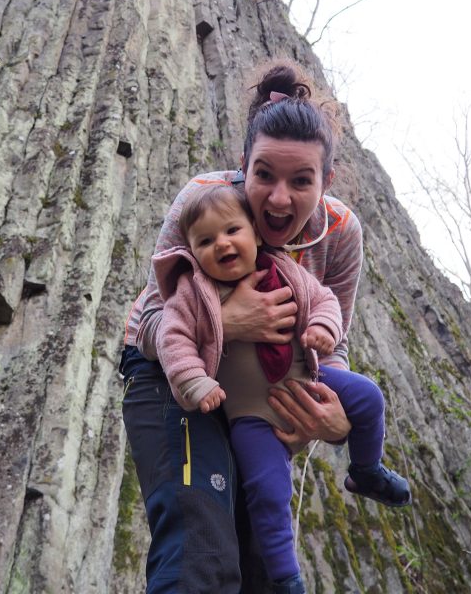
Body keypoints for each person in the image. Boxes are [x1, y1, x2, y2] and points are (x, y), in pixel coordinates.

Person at [120, 60, 380, 594]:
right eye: (264, 175)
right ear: (244, 165)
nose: (279, 198)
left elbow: (334, 343)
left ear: (325, 181)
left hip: (261, 395)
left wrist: (332, 423)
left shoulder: (339, 233)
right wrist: (227, 322)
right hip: (170, 377)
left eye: (301, 180)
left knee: (261, 558)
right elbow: (150, 320)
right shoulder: (206, 201)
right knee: (202, 545)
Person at [152, 182, 410, 594]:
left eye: (232, 231)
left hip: (306, 376)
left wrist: (324, 329)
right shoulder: (192, 292)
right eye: (205, 241)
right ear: (192, 253)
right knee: (268, 492)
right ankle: (287, 578)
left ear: (255, 233)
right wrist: (196, 383)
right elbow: (172, 340)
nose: (221, 244)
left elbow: (325, 300)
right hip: (249, 415)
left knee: (368, 397)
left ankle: (366, 470)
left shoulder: (285, 269)